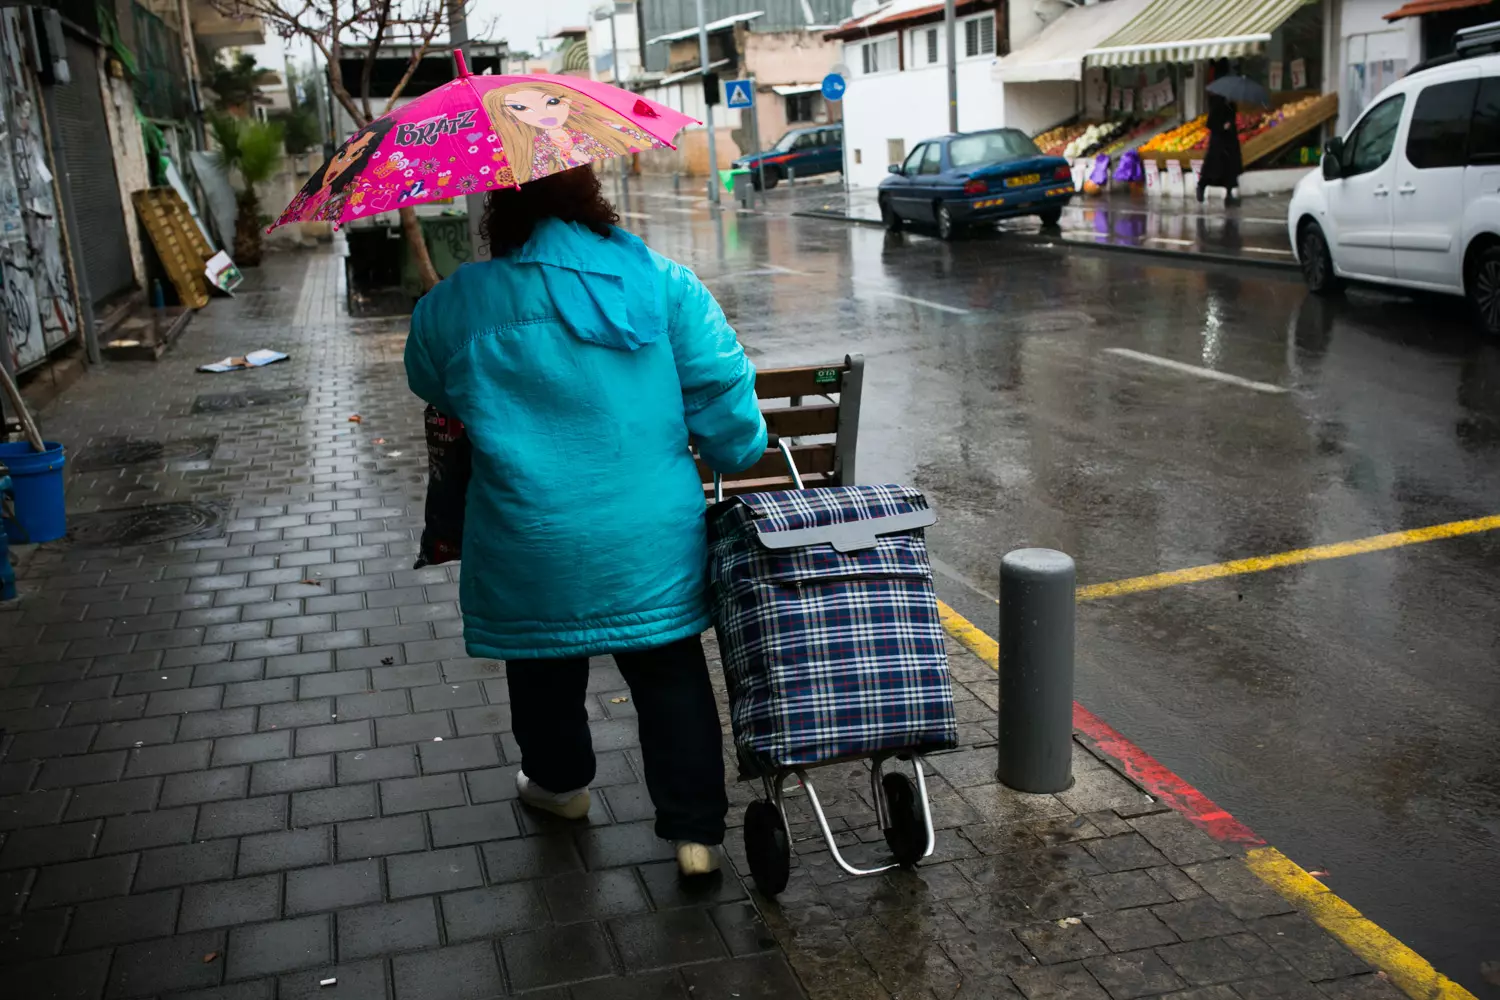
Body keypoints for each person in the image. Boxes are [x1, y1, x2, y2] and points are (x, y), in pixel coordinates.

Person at [403, 165, 767, 877]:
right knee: (668, 670)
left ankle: (560, 788)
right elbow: (726, 401)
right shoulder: (662, 282)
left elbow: (431, 379)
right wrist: (737, 446)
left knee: (541, 666)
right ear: (588, 194)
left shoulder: (456, 305)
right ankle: (695, 835)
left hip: (525, 533)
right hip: (650, 535)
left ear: (497, 209)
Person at [482, 83, 664, 184]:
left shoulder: (588, 134)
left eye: (552, 102)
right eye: (520, 108)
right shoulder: (527, 151)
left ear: (567, 101)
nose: (544, 113)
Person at [1199, 65, 1243, 206]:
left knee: (1230, 167)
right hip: (1219, 140)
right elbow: (1211, 122)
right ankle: (1202, 186)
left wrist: (1230, 124)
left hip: (1230, 140)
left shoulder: (1231, 102)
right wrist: (1222, 126)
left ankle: (1229, 193)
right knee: (1213, 166)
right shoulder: (1217, 101)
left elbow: (1232, 116)